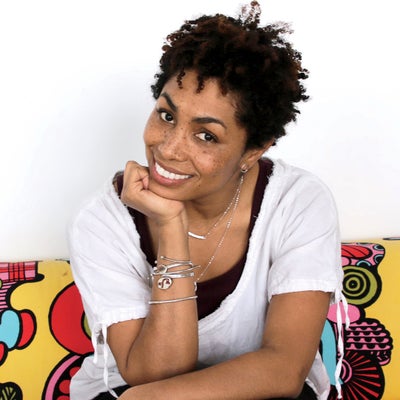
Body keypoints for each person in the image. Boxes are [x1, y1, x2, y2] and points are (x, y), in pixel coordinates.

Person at [68, 2, 345, 399]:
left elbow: (284, 368)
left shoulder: (297, 202)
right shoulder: (101, 221)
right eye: (166, 116)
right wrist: (170, 226)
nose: (168, 149)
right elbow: (154, 374)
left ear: (253, 151)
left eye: (206, 136)